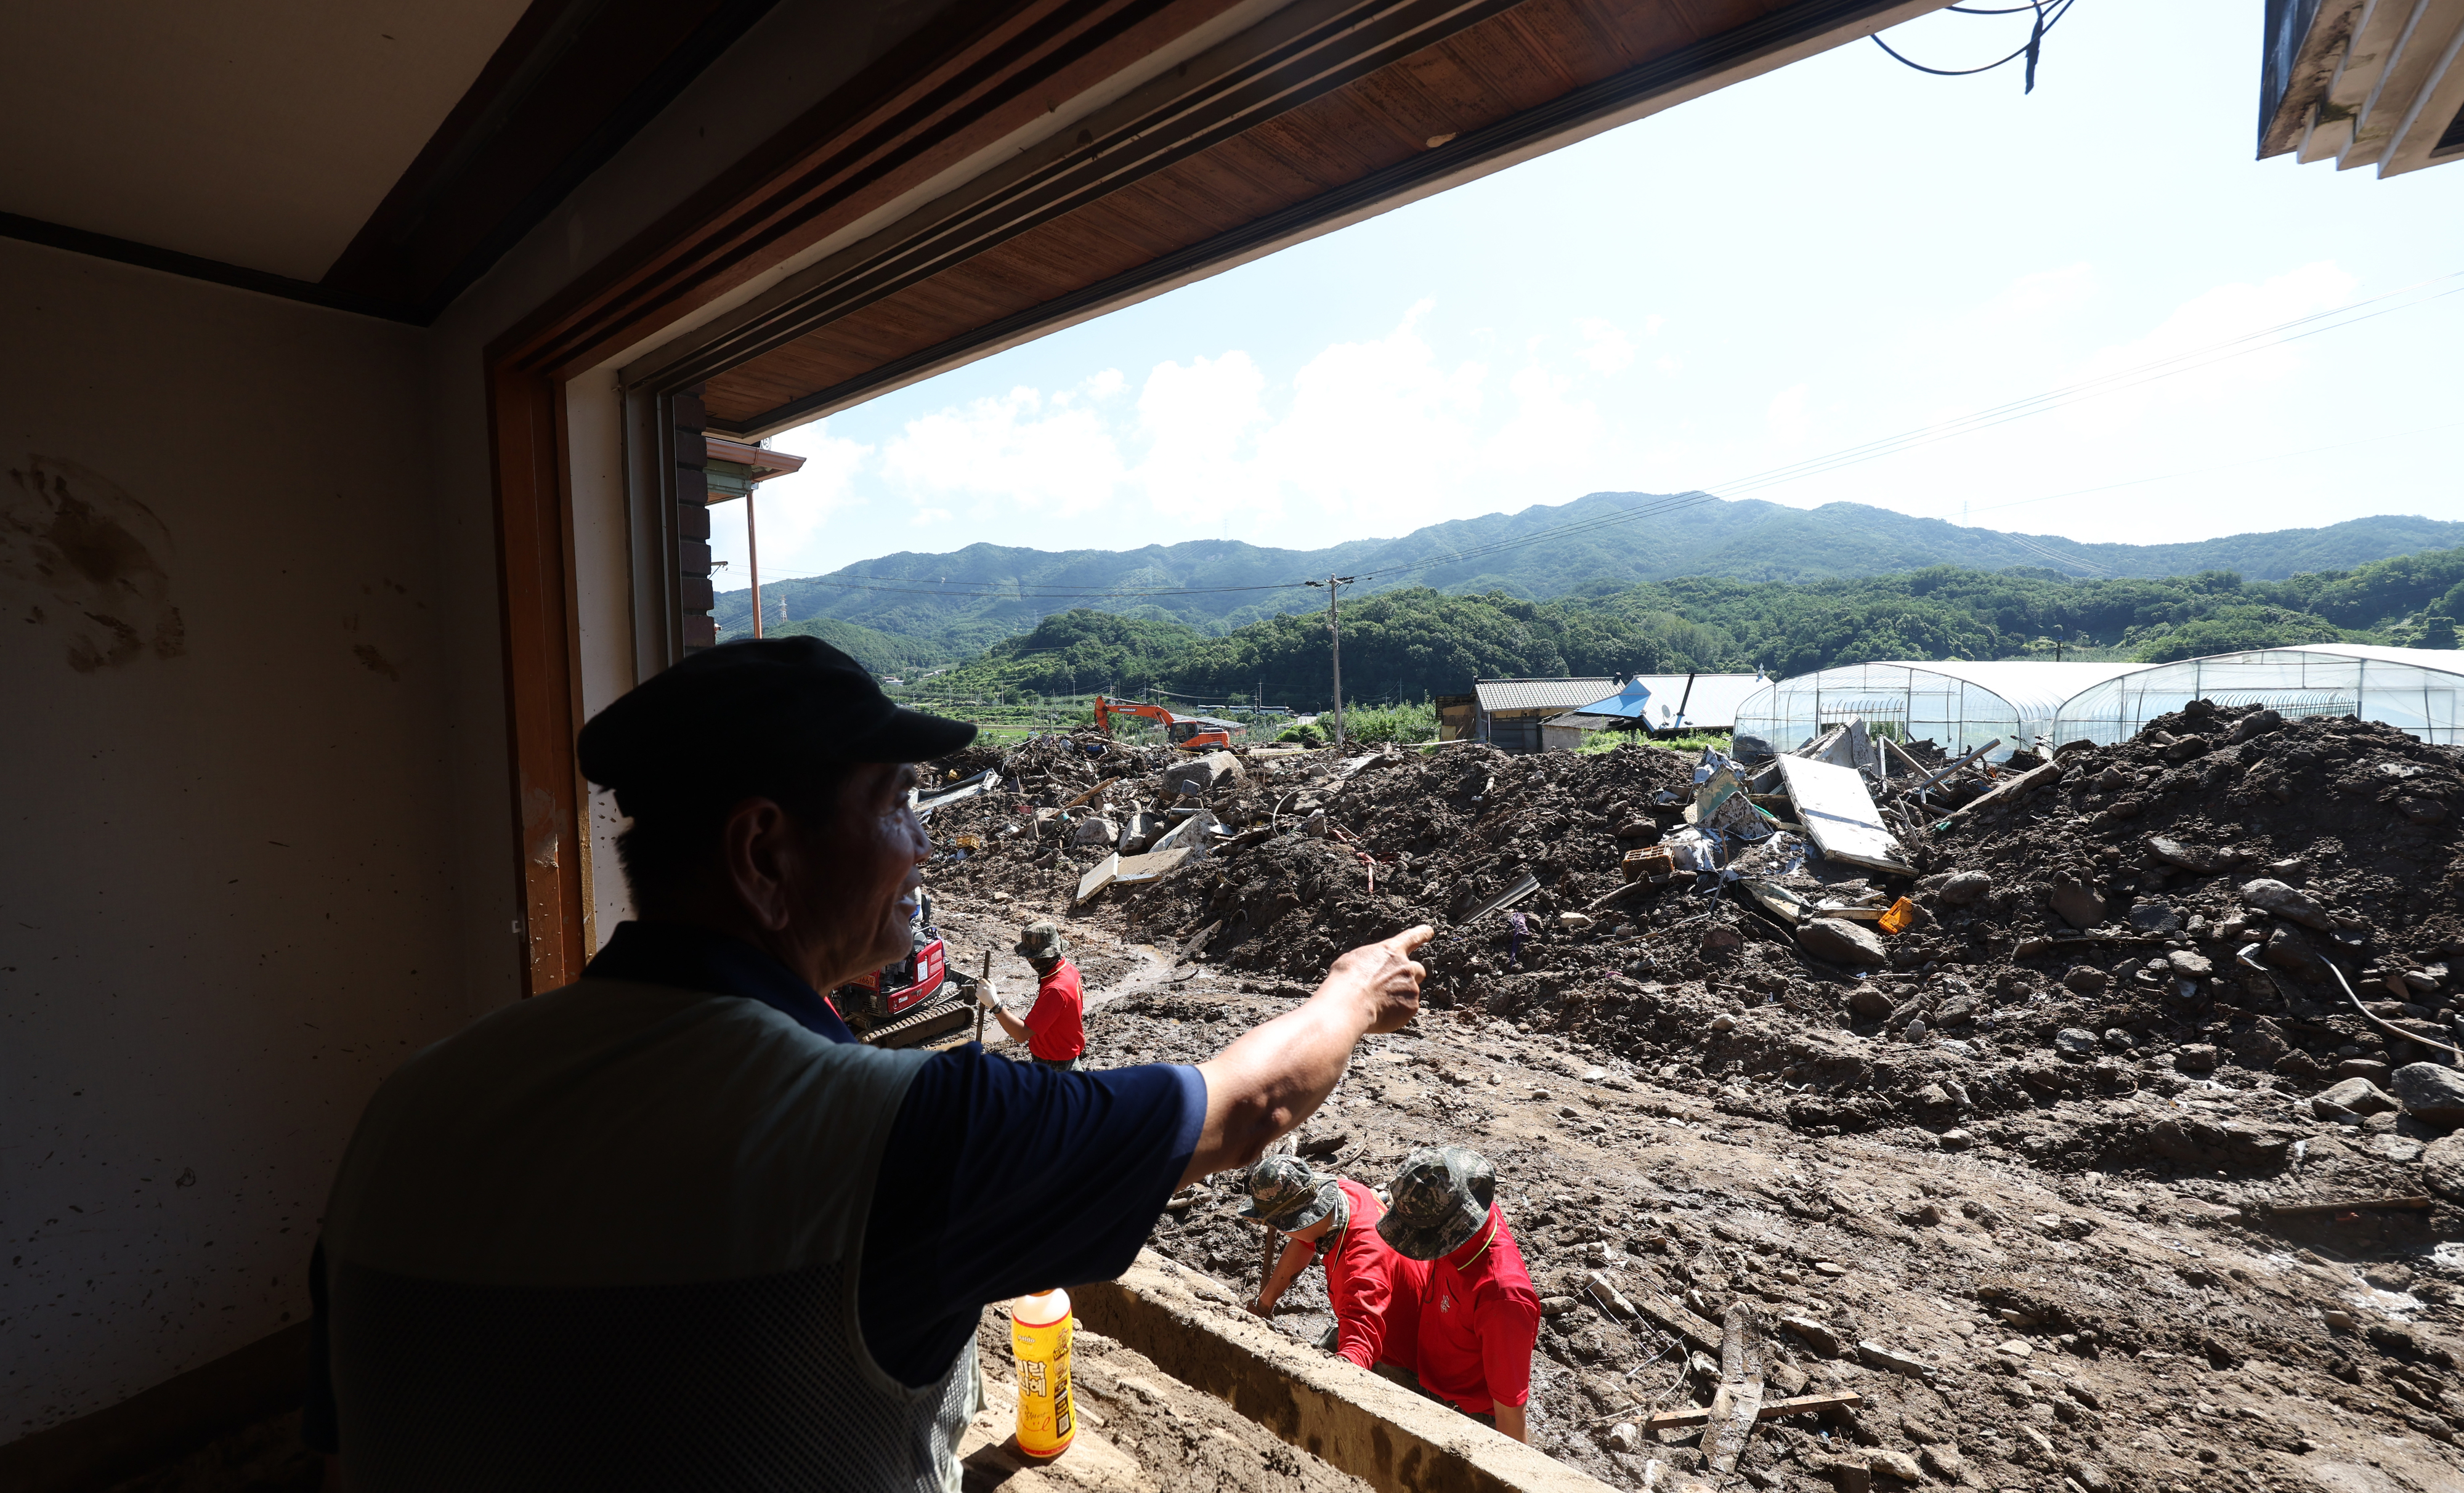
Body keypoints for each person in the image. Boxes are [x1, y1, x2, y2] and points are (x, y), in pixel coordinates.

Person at [301, 637, 1433, 1492]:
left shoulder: (410, 1100)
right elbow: (1246, 1107)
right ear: (762, 852)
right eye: (895, 803)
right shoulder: (890, 1131)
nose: (924, 840)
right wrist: (1352, 990)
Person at [1377, 1146, 1541, 1443]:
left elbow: (1511, 1417)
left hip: (1466, 1421)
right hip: (1430, 1370)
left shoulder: (1502, 1299)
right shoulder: (1468, 1215)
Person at [1242, 1156, 1424, 1376]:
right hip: (1404, 1314)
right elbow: (1305, 1241)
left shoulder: (1360, 1271)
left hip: (1416, 1362)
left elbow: (1357, 1355)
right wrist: (1264, 1304)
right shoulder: (1345, 1194)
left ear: (1295, 1223)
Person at [979, 920, 1085, 1070]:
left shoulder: (1056, 990)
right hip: (1062, 1057)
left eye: (1031, 957)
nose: (1030, 962)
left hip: (1056, 1067)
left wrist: (994, 1004)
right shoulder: (1067, 969)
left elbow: (1022, 1034)